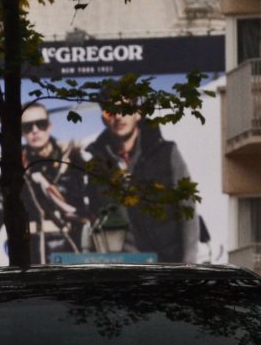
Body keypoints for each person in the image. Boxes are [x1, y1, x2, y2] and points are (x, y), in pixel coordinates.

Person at [0, 102, 93, 264]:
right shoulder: (15, 166)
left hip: (70, 248)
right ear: (21, 132)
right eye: (27, 127)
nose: (35, 131)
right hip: (29, 252)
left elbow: (92, 201)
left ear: (49, 127)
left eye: (40, 124)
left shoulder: (73, 161)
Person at [84, 102, 199, 264]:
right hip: (125, 268)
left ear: (138, 113)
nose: (118, 116)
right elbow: (96, 221)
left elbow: (188, 210)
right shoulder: (96, 167)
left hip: (168, 265)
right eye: (110, 112)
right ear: (104, 119)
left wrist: (189, 264)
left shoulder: (166, 153)